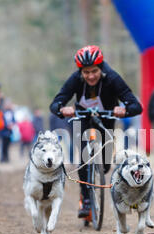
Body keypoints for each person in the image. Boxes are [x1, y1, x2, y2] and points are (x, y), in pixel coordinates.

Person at [49, 45, 142, 219]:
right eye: (86, 72)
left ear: (101, 68)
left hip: (106, 118)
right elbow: (56, 102)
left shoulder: (113, 78)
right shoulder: (75, 79)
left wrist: (125, 110)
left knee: (105, 166)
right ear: (80, 72)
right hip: (83, 118)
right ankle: (86, 199)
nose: (91, 76)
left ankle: (100, 169)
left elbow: (136, 105)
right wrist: (62, 109)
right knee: (84, 158)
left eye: (94, 71)